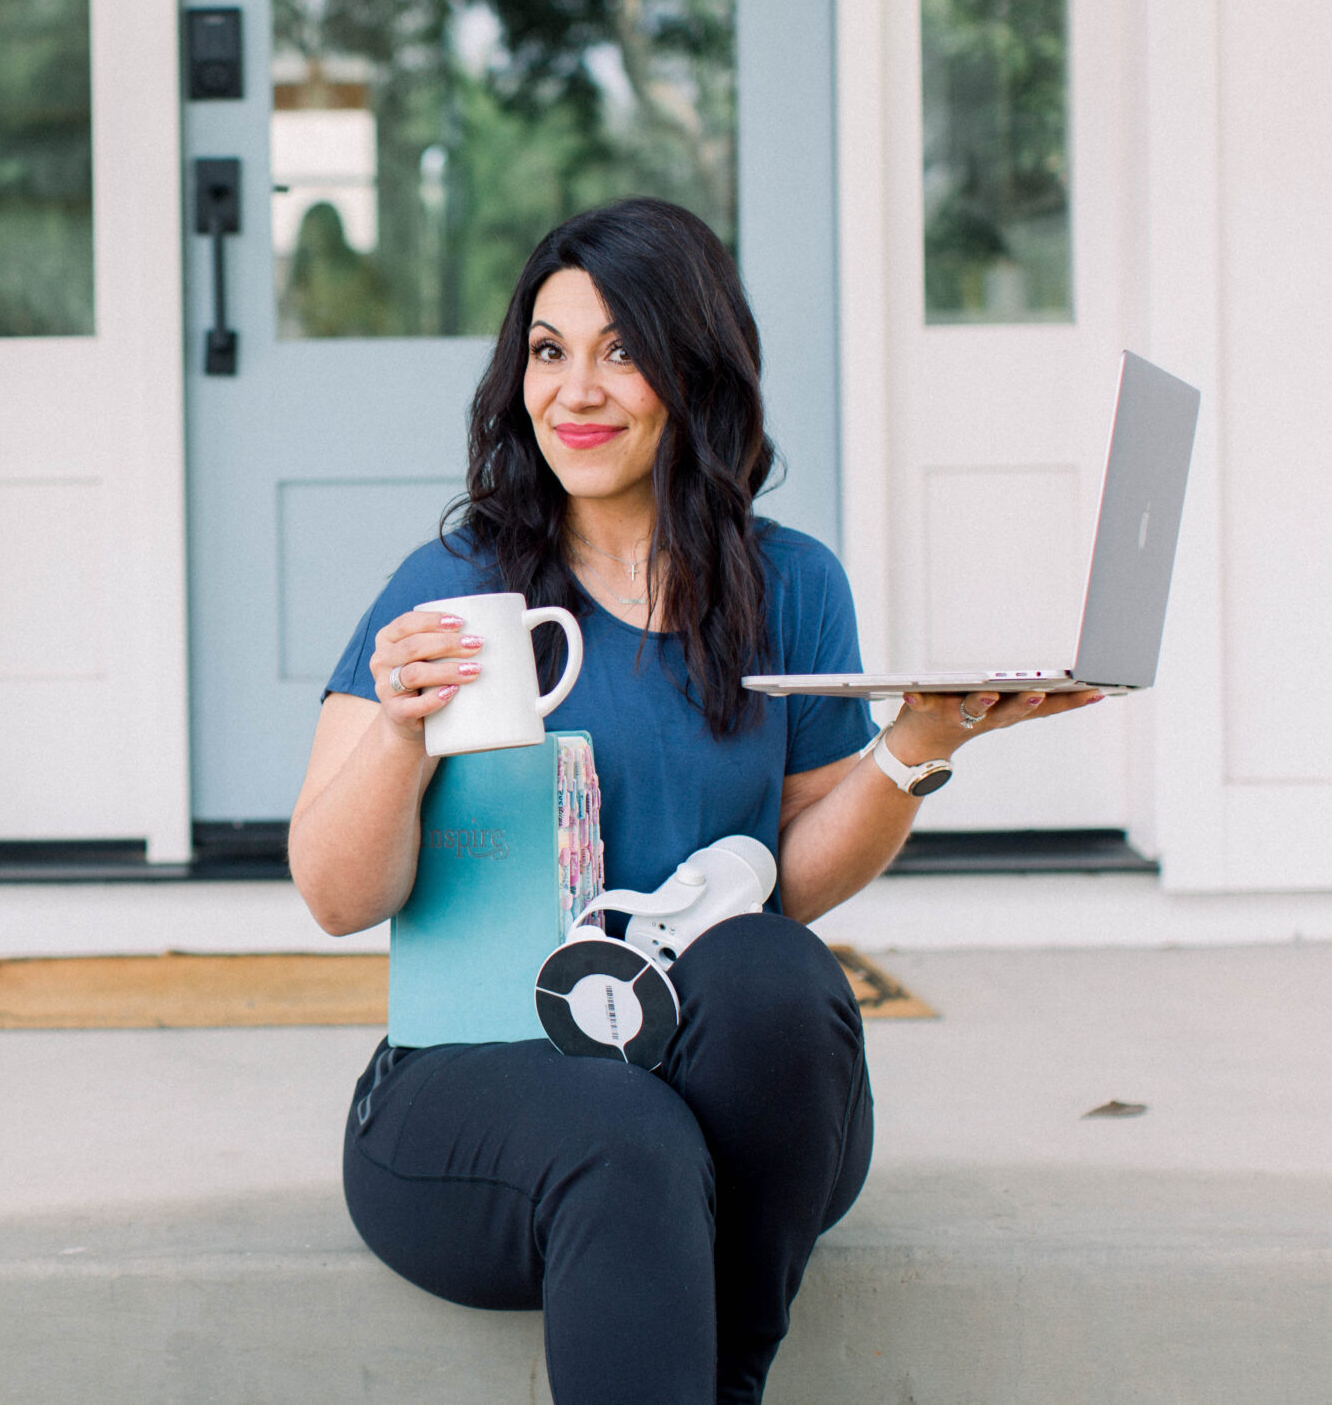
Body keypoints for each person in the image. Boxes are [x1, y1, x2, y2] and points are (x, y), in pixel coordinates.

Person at [289, 198, 1098, 1405]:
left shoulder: (788, 583)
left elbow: (792, 871)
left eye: (623, 350)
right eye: (550, 351)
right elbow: (336, 896)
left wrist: (917, 744)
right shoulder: (456, 587)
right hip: (474, 1087)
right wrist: (406, 729)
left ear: (694, 369)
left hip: (706, 1085)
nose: (577, 389)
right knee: (625, 1134)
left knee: (776, 972)